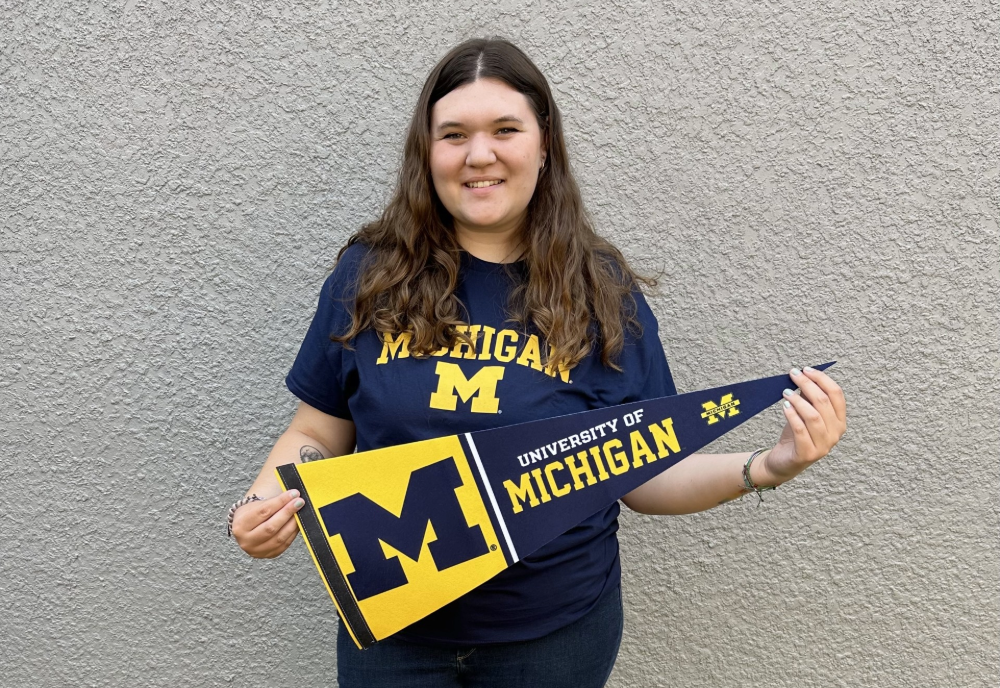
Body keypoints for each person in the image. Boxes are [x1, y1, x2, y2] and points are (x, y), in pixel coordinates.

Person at [228, 38, 847, 688]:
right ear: (426, 151)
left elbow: (642, 477)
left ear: (543, 143)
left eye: (505, 130)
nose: (479, 154)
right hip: (392, 632)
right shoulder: (368, 277)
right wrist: (263, 500)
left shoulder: (601, 292)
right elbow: (317, 432)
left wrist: (770, 466)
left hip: (555, 640)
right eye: (454, 134)